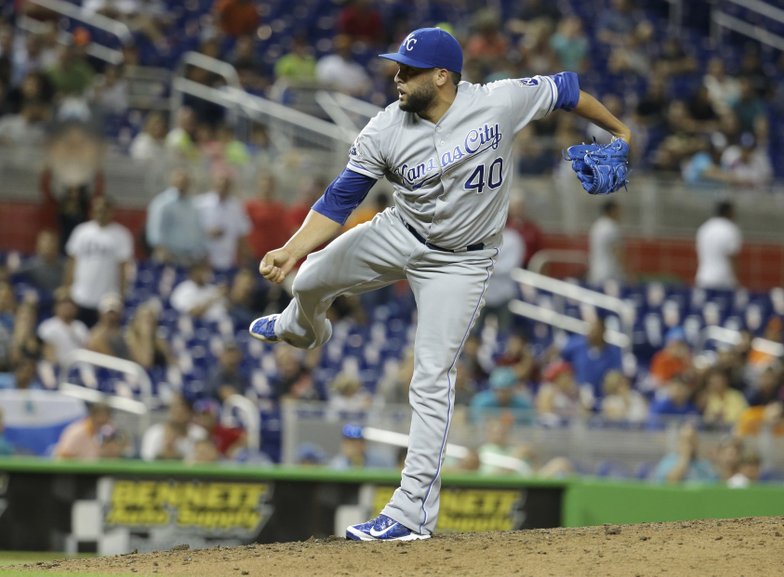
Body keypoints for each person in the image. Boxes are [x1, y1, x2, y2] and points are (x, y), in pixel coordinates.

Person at [248, 27, 631, 541]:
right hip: (400, 232)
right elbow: (340, 200)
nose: (396, 77)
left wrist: (621, 132)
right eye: (397, 67)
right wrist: (293, 249)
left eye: (407, 70)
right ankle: (303, 328)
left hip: (462, 263)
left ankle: (410, 515)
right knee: (311, 275)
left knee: (430, 377)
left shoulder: (499, 101)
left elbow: (566, 88)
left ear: (442, 76)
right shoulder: (385, 127)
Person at [65, 196, 133, 328]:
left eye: (104, 210)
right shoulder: (81, 232)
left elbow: (123, 268)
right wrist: (67, 288)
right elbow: (72, 262)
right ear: (92, 211)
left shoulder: (121, 235)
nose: (101, 213)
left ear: (111, 211)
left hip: (107, 299)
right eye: (98, 210)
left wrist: (121, 294)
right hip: (80, 295)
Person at [651, 422, 718, 484]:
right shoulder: (669, 460)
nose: (689, 444)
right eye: (685, 440)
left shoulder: (704, 463)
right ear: (679, 442)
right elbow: (670, 482)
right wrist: (685, 458)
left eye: (692, 439)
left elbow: (714, 484)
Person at [695, 200, 742, 290]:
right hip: (724, 280)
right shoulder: (730, 228)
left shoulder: (704, 228)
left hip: (703, 277)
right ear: (729, 212)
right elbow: (732, 257)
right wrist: (736, 280)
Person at [587, 199, 625, 285]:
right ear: (612, 210)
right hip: (609, 273)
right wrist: (628, 273)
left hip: (595, 271)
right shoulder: (612, 227)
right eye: (618, 210)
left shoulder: (596, 226)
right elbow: (617, 251)